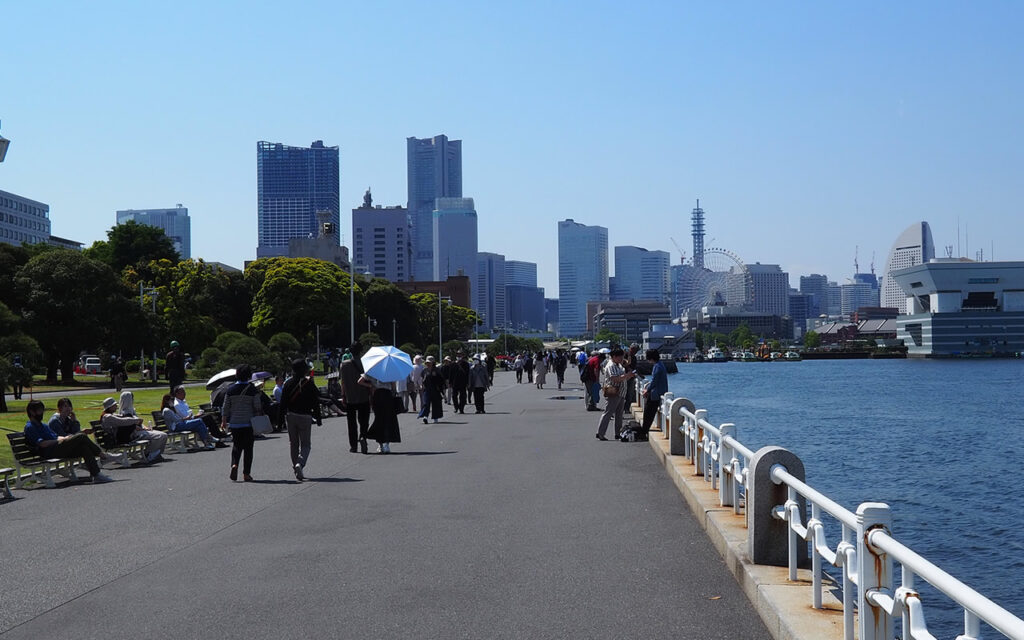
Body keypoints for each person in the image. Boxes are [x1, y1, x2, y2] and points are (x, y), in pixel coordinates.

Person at [24, 400, 115, 483]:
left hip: (57, 448)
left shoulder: (43, 425)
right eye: (40, 410)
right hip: (49, 452)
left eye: (42, 410)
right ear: (32, 412)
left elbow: (56, 436)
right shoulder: (30, 427)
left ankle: (97, 475)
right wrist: (61, 440)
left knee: (83, 447)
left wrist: (66, 437)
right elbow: (42, 444)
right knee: (81, 436)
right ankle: (104, 456)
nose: (42, 413)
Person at [280, 358, 323, 481]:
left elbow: (283, 403)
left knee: (293, 444)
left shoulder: (287, 384)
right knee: (306, 444)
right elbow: (316, 401)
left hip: (291, 416)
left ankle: (295, 467)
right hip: (305, 416)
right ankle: (300, 463)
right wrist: (318, 418)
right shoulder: (308, 383)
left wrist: (280, 421)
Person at [221, 364, 262, 482]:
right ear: (249, 375)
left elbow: (226, 407)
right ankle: (246, 474)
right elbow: (257, 406)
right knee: (248, 448)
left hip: (234, 423)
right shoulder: (252, 389)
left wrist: (224, 420)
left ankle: (234, 464)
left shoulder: (230, 389)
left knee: (237, 446)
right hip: (248, 423)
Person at [100, 394, 168, 463]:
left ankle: (153, 454)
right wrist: (136, 420)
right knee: (160, 436)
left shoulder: (110, 415)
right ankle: (149, 454)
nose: (116, 406)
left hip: (123, 437)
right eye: (114, 405)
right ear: (110, 407)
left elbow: (122, 418)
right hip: (117, 440)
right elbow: (122, 421)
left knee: (162, 435)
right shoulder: (107, 417)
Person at [595, 348, 636, 441]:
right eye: (620, 357)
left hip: (621, 392)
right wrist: (627, 376)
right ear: (614, 357)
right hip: (613, 392)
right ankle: (600, 433)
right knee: (608, 413)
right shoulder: (611, 366)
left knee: (619, 414)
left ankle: (618, 433)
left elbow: (627, 365)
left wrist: (628, 375)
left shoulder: (618, 364)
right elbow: (615, 379)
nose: (622, 359)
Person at [340, 342, 371, 454]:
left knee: (351, 423)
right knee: (364, 420)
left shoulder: (344, 364)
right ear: (361, 350)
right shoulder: (365, 363)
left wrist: (343, 395)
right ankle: (363, 436)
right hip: (363, 395)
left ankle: (353, 445)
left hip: (350, 396)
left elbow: (343, 382)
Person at [359, 373, 400, 454]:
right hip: (387, 395)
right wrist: (394, 392)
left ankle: (379, 444)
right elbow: (393, 386)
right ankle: (386, 445)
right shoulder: (389, 371)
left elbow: (360, 381)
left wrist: (371, 386)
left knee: (379, 419)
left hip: (377, 395)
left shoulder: (372, 371)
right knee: (388, 419)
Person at [641, 349, 668, 437]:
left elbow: (654, 381)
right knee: (650, 413)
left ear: (651, 358)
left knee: (648, 413)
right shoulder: (660, 364)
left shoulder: (657, 366)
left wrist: (647, 390)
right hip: (661, 392)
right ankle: (644, 430)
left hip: (655, 394)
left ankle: (643, 432)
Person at [421, 356, 445, 423]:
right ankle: (425, 416)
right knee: (426, 403)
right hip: (427, 389)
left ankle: (435, 417)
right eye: (427, 362)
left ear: (433, 363)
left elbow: (441, 380)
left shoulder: (437, 370)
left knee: (436, 404)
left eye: (429, 362)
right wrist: (422, 385)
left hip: (435, 389)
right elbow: (422, 378)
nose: (428, 364)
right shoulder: (424, 370)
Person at [623, 343, 641, 415]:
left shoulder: (634, 357)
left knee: (630, 394)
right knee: (623, 394)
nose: (635, 352)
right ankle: (621, 409)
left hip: (631, 377)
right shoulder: (625, 355)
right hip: (624, 376)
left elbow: (634, 368)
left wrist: (638, 374)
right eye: (635, 350)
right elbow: (625, 365)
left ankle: (626, 408)